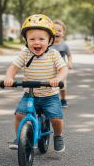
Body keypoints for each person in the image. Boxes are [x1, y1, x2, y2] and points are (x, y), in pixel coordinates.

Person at [4, 14, 68, 153]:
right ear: (26, 40)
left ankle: (58, 136)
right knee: (19, 115)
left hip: (49, 95)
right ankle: (19, 138)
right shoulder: (25, 54)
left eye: (41, 39)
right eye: (32, 39)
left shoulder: (53, 55)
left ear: (50, 40)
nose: (36, 42)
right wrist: (9, 78)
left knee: (56, 118)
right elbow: (14, 67)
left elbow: (64, 69)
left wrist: (58, 79)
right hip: (30, 94)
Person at [52, 19, 72, 108]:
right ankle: (52, 100)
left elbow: (69, 55)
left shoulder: (64, 45)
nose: (57, 32)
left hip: (62, 70)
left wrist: (69, 63)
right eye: (54, 30)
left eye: (59, 31)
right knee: (50, 85)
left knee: (62, 86)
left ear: (63, 33)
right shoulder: (48, 45)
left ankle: (63, 99)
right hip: (51, 69)